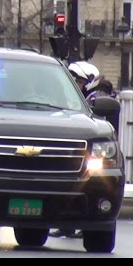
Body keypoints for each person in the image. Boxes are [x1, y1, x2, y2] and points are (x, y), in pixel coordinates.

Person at [49, 61, 101, 239]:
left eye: (78, 81)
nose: (75, 84)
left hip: (87, 155)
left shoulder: (93, 99)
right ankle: (67, 226)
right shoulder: (76, 98)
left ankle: (80, 228)